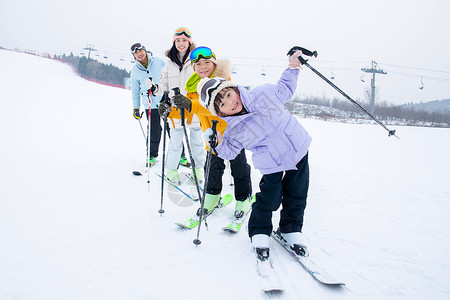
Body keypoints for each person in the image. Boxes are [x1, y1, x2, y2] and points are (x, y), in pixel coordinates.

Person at [197, 50, 311, 261]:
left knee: (297, 194)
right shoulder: (233, 130)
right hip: (271, 163)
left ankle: (290, 229)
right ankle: (259, 231)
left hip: (297, 147)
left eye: (229, 94)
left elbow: (285, 88)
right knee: (269, 198)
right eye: (222, 104)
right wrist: (217, 144)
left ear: (235, 89)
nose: (230, 103)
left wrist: (293, 67)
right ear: (220, 113)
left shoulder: (264, 93)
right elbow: (230, 152)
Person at [170, 46, 253, 218]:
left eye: (207, 62)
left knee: (238, 167)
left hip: (231, 132)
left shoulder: (223, 81)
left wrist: (191, 105)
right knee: (213, 168)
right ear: (193, 68)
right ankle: (212, 196)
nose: (203, 67)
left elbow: (212, 107)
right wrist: (169, 109)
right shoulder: (192, 86)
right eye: (198, 64)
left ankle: (244, 198)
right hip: (211, 133)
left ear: (214, 63)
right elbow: (190, 111)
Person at [157, 27, 201, 184]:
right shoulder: (169, 63)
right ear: (174, 42)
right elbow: (163, 83)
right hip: (175, 108)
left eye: (184, 40)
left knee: (197, 141)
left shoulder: (197, 60)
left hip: (193, 106)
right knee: (175, 140)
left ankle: (198, 171)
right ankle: (172, 171)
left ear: (189, 42)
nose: (181, 44)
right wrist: (156, 89)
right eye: (178, 40)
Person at [130, 42, 165, 167]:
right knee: (154, 130)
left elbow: (170, 76)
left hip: (164, 100)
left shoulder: (159, 62)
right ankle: (151, 156)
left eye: (140, 51)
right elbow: (135, 91)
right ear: (134, 55)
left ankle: (181, 155)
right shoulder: (135, 71)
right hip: (149, 104)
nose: (139, 54)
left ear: (145, 50)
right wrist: (136, 108)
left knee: (173, 128)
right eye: (136, 53)